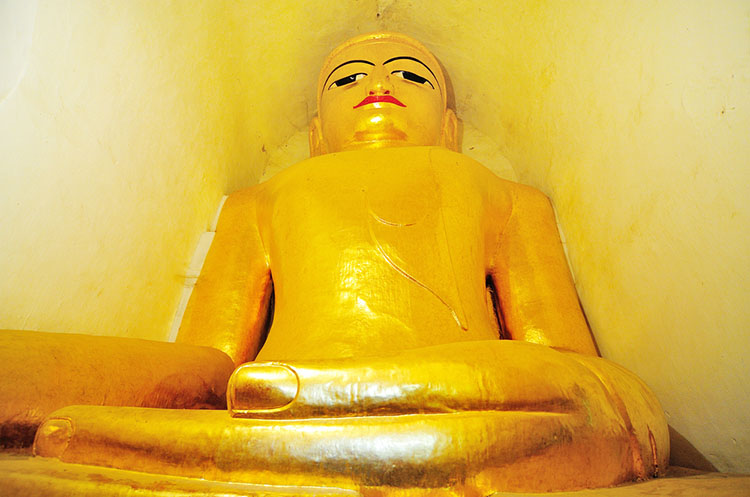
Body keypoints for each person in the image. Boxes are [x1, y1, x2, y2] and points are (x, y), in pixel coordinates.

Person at [29, 32, 668, 495]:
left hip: (454, 392)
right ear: (315, 132)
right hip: (272, 394)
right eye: (349, 78)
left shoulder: (505, 195)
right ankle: (309, 411)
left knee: (569, 386)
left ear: (449, 127)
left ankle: (300, 406)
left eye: (410, 76)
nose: (379, 85)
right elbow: (209, 364)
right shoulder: (261, 199)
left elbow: (567, 363)